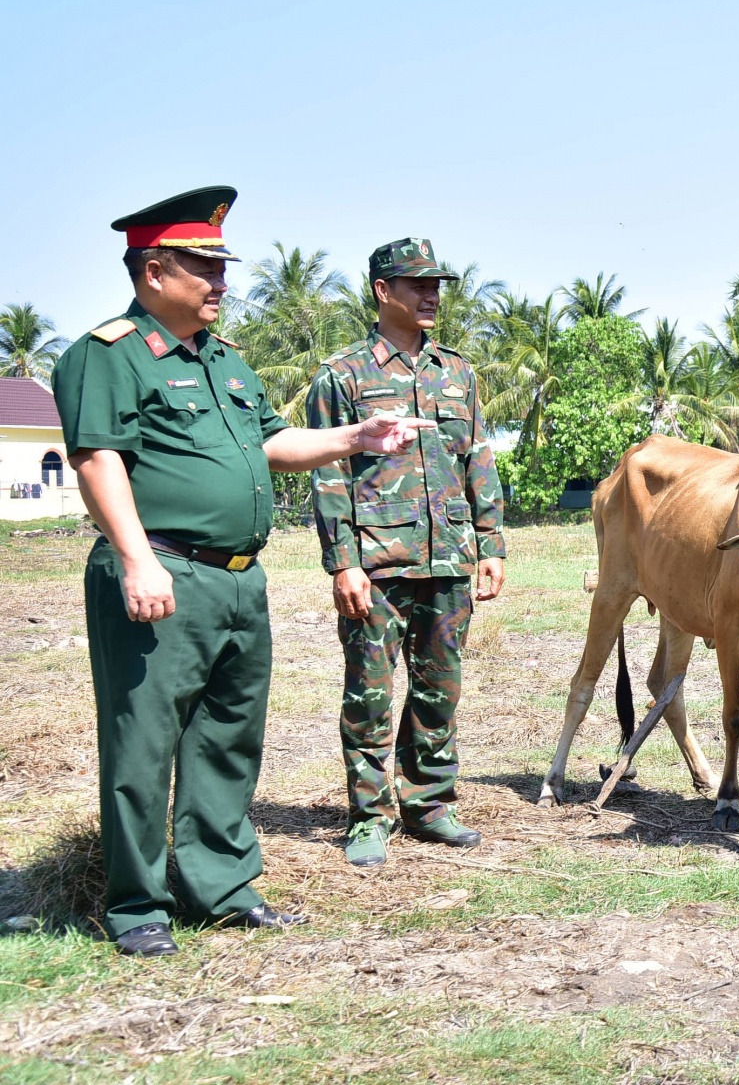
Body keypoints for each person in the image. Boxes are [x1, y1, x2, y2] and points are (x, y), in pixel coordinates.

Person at [52, 187, 435, 957]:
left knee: (227, 738)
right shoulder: (108, 354)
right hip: (162, 572)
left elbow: (272, 444)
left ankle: (219, 887)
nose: (221, 281)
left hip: (236, 580)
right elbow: (98, 461)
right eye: (204, 266)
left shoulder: (223, 361)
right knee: (142, 746)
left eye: (223, 265)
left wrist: (358, 436)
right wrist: (134, 559)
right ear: (155, 270)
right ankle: (136, 906)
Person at [307, 239, 506, 868]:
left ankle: (431, 804)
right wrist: (342, 561)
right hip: (376, 560)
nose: (431, 295)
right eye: (417, 284)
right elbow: (329, 471)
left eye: (437, 284)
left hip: (448, 555)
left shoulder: (459, 372)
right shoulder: (343, 376)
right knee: (369, 692)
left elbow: (478, 459)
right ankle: (370, 815)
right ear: (382, 291)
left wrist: (491, 543)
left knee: (438, 687)